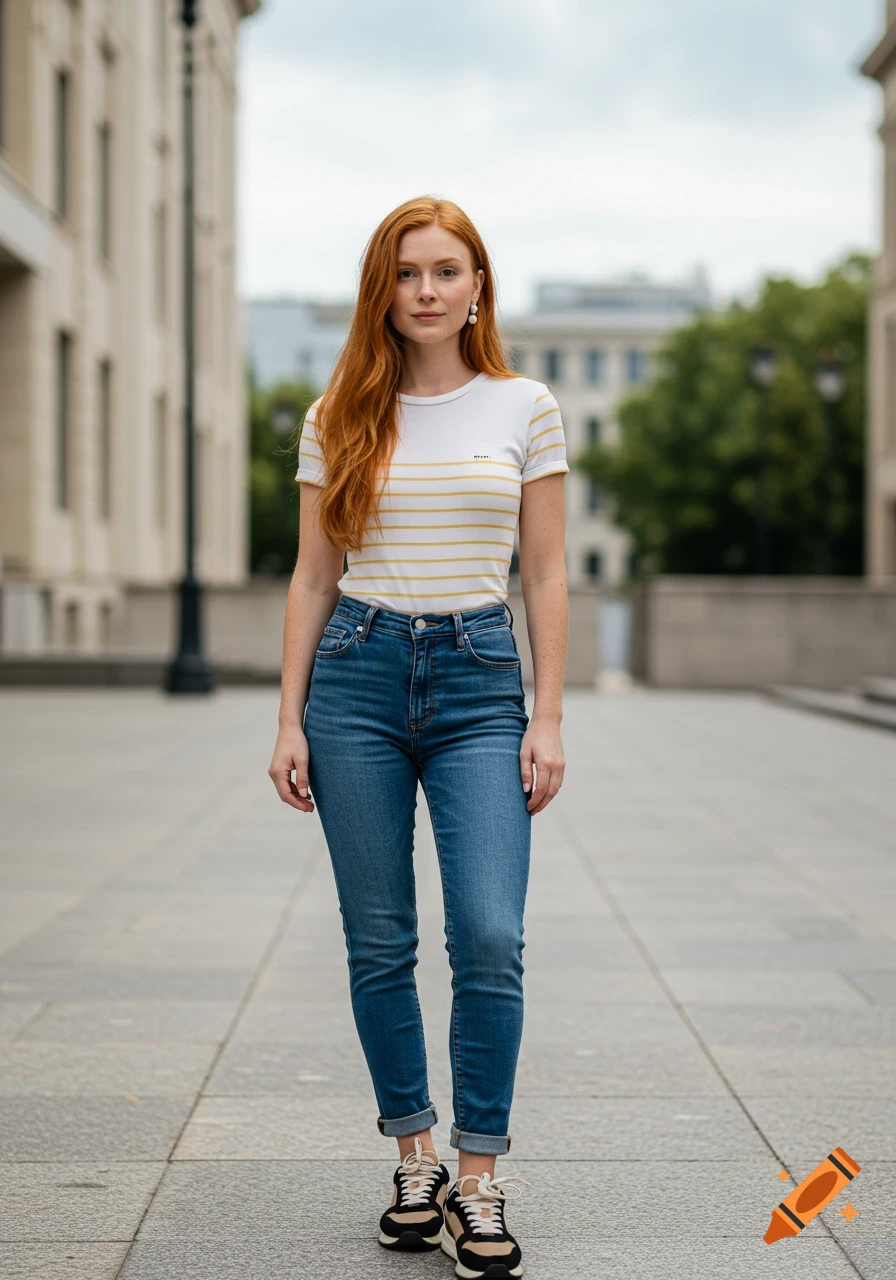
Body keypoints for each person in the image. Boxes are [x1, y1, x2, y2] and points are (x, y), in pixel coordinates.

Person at [269, 195, 568, 1279]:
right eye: (407, 274)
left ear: (478, 286)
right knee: (378, 935)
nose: (428, 289)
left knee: (489, 932)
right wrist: (288, 713)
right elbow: (310, 573)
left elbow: (541, 570)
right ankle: (414, 1153)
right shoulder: (339, 412)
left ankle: (479, 1174)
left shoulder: (523, 406)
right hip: (354, 673)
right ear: (382, 292)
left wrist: (548, 712)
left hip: (483, 681)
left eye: (447, 270)